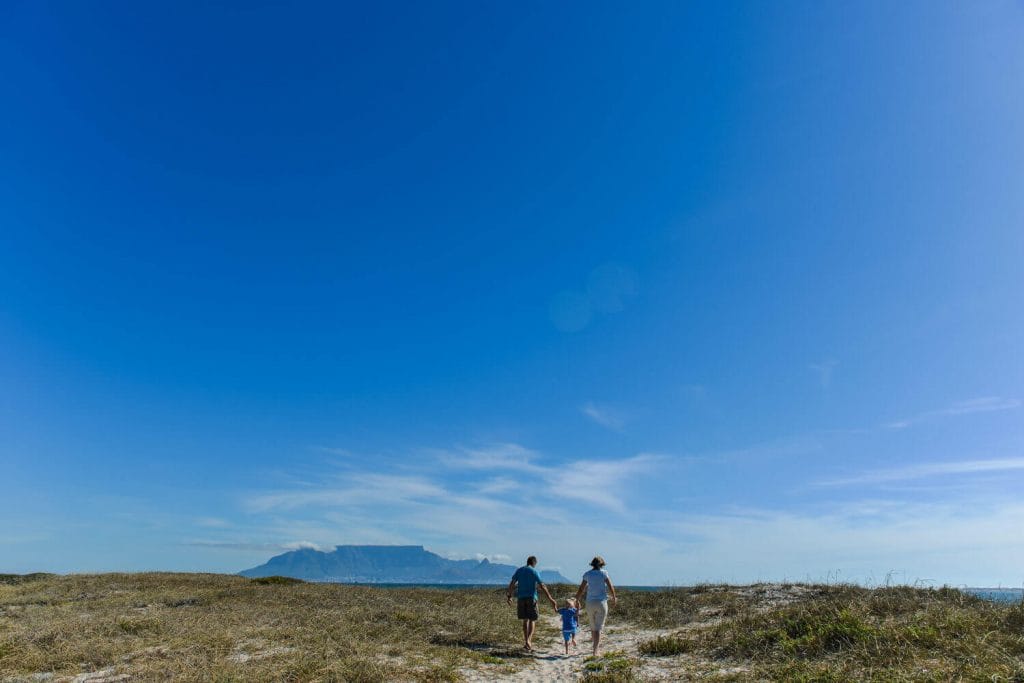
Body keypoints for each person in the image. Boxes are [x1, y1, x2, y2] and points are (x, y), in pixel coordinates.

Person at [506, 555, 558, 651]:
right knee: (532, 620)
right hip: (531, 598)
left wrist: (509, 596)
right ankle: (529, 640)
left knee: (525, 620)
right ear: (534, 563)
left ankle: (526, 641)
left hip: (521, 598)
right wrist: (551, 599)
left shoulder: (519, 570)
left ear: (527, 562)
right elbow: (542, 586)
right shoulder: (534, 571)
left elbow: (512, 583)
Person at [574, 555, 617, 656]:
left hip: (590, 603)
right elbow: (610, 586)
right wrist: (614, 597)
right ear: (602, 564)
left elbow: (581, 589)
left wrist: (576, 599)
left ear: (592, 564)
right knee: (598, 628)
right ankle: (595, 650)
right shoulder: (604, 573)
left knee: (593, 626)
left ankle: (594, 644)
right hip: (601, 602)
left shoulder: (587, 574)